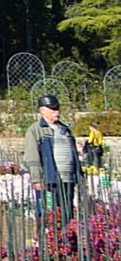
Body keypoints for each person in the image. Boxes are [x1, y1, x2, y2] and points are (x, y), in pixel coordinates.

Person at [24, 94, 81, 225]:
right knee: (49, 215)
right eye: (53, 109)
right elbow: (32, 157)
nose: (57, 112)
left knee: (67, 213)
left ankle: (67, 241)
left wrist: (78, 175)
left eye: (57, 108)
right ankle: (48, 241)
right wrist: (37, 179)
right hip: (49, 180)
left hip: (68, 179)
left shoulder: (65, 129)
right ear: (42, 110)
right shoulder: (35, 130)